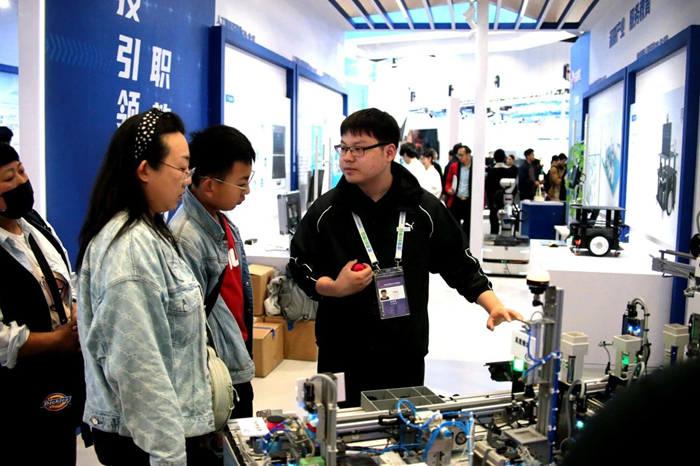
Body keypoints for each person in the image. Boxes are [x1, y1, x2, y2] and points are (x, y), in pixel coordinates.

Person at [288, 108, 522, 407]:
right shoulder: (327, 211)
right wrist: (333, 288)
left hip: (404, 349)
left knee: (400, 425)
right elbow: (300, 263)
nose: (346, 158)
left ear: (389, 152)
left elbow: (458, 262)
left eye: (358, 149)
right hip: (341, 349)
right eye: (343, 148)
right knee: (336, 426)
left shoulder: (423, 209)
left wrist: (493, 304)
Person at [76, 109, 216, 465]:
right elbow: (140, 371)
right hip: (146, 444)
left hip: (160, 433)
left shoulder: (150, 231)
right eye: (181, 168)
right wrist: (169, 457)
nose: (187, 179)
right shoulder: (130, 252)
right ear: (144, 170)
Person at [0, 143, 85, 464]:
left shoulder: (35, 223)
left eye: (21, 171)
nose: (22, 181)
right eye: (9, 178)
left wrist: (74, 310)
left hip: (61, 380)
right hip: (18, 391)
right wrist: (56, 340)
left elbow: (66, 277)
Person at [169, 125, 256, 420]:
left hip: (235, 357)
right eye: (241, 183)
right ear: (209, 186)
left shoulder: (224, 223)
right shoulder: (185, 238)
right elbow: (188, 326)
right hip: (214, 375)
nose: (246, 191)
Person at [445, 144, 473, 242]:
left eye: (461, 155)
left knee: (468, 226)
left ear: (468, 155)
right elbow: (448, 181)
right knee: (454, 225)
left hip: (469, 201)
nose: (459, 157)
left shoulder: (475, 168)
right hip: (456, 199)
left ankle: (467, 244)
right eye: (458, 155)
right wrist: (448, 189)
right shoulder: (454, 166)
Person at [485, 149, 513, 235]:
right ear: (504, 158)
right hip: (507, 198)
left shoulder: (492, 171)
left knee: (494, 217)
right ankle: (506, 233)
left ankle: (494, 233)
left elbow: (488, 186)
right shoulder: (509, 171)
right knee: (507, 215)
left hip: (494, 199)